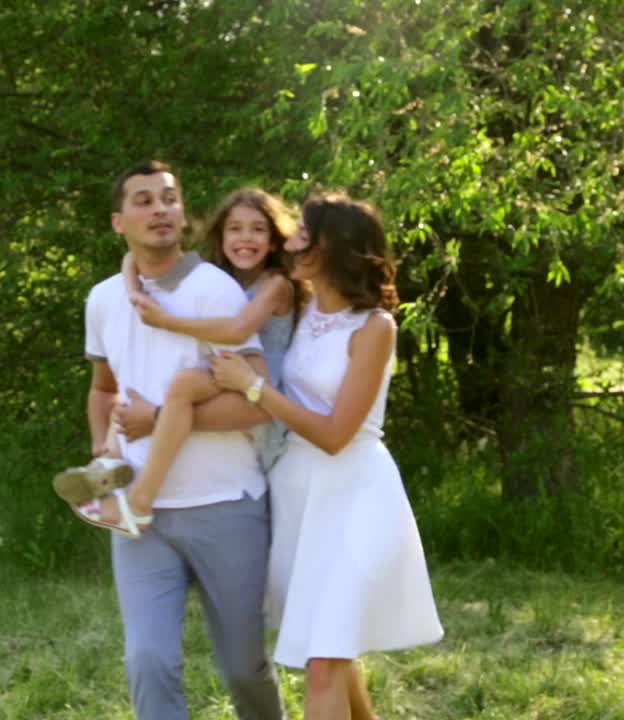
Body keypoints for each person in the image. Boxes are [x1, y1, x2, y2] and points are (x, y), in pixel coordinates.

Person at [210, 193, 444, 720]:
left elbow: (338, 433)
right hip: (300, 498)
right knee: (330, 651)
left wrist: (254, 390)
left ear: (331, 245)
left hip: (356, 495)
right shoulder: (300, 302)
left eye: (301, 234)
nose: (288, 242)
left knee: (323, 665)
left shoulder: (374, 328)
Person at [74, 161, 285, 720]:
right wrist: (103, 448)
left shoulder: (213, 290)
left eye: (169, 198)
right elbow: (102, 389)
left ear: (184, 214)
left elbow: (253, 401)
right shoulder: (102, 300)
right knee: (148, 661)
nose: (160, 209)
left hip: (225, 506)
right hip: (136, 515)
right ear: (119, 222)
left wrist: (162, 417)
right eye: (143, 200)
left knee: (244, 667)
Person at [54, 188, 300, 536]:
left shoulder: (275, 284)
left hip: (263, 389)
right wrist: (131, 275)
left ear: (274, 241)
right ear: (221, 236)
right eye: (235, 229)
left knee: (183, 383)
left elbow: (236, 329)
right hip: (228, 374)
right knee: (147, 380)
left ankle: (139, 501)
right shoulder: (215, 280)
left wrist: (165, 321)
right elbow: (134, 267)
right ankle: (109, 459)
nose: (246, 238)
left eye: (258, 230)